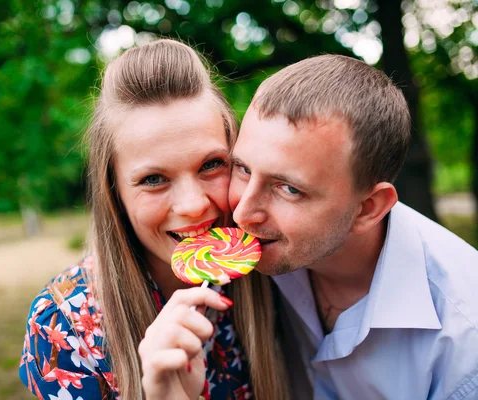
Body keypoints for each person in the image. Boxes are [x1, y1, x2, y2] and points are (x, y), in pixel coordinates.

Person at [18, 39, 292, 400]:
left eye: (211, 165)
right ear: (114, 192)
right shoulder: (62, 324)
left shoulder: (281, 271)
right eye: (153, 179)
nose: (193, 205)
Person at [227, 54, 478, 399]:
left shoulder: (465, 340)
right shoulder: (243, 254)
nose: (242, 213)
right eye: (242, 168)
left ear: (368, 209)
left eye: (288, 189)